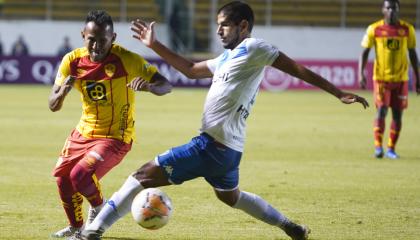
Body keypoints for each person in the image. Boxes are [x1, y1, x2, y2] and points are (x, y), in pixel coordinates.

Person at [82, 2, 369, 240]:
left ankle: (94, 230)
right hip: (228, 151)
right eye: (218, 24)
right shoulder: (226, 58)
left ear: (243, 26)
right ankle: (288, 226)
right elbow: (192, 70)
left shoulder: (255, 48)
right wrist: (155, 45)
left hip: (210, 145)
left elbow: (295, 68)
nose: (218, 30)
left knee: (140, 177)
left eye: (225, 25)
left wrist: (337, 92)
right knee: (230, 197)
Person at [48, 10, 172, 239]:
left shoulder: (127, 59)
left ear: (113, 38)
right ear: (83, 35)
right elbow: (52, 104)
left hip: (115, 137)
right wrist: (62, 94)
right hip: (83, 132)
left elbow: (166, 84)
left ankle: (99, 207)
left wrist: (148, 87)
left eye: (102, 41)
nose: (96, 46)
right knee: (62, 179)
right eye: (91, 39)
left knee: (80, 175)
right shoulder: (72, 61)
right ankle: (76, 228)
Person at [358, 0, 420, 159]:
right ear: (383, 10)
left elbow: (413, 54)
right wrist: (361, 73)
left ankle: (391, 148)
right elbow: (364, 52)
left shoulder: (407, 29)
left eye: (394, 8)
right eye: (388, 8)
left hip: (401, 79)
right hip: (381, 79)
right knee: (381, 111)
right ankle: (378, 147)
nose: (391, 11)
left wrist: (418, 77)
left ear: (398, 10)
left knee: (398, 115)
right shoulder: (375, 29)